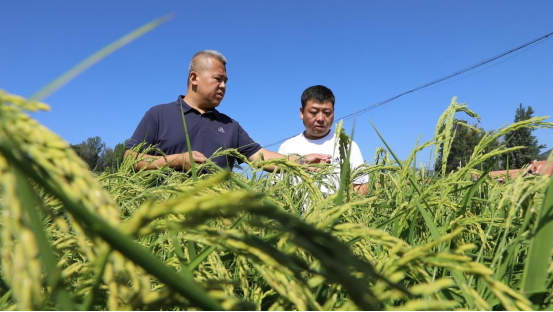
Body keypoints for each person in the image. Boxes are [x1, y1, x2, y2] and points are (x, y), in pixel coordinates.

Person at [124, 50, 330, 173]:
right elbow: (130, 159)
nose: (223, 86)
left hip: (214, 230)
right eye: (218, 79)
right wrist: (177, 160)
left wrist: (301, 161)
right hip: (164, 228)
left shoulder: (230, 127)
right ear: (194, 78)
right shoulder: (159, 115)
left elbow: (262, 157)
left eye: (226, 81)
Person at [278, 85, 369, 195]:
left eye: (327, 113)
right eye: (313, 112)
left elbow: (361, 187)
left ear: (333, 112)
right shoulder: (287, 147)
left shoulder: (348, 146)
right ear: (302, 113)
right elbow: (277, 188)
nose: (320, 118)